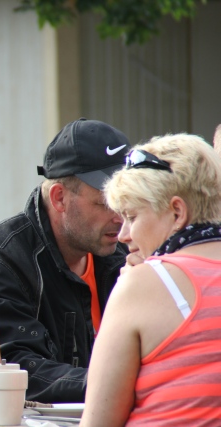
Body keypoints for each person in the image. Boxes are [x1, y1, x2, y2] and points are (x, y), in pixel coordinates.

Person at [0, 118, 130, 403]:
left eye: (126, 200)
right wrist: (124, 385)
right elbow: (19, 369)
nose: (120, 217)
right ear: (59, 198)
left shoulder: (129, 254)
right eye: (106, 203)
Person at [81, 134, 221, 426]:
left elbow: (98, 421)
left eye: (132, 217)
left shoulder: (143, 284)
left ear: (177, 212)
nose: (123, 235)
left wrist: (135, 283)